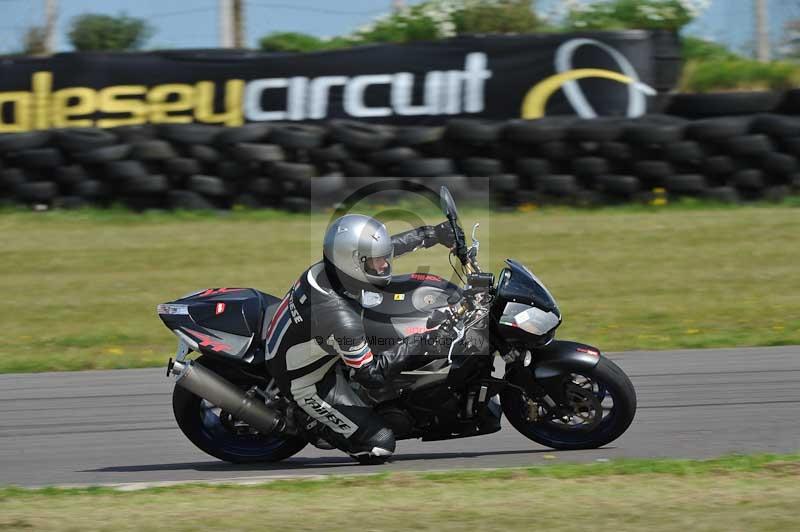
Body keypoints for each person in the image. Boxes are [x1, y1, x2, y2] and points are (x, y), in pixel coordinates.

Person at [265, 214, 460, 462]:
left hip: (310, 342)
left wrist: (432, 234)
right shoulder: (340, 318)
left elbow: (383, 249)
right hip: (306, 381)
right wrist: (427, 340)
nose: (384, 266)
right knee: (380, 446)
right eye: (377, 262)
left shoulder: (333, 269)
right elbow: (371, 376)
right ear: (353, 262)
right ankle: (316, 423)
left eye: (383, 259)